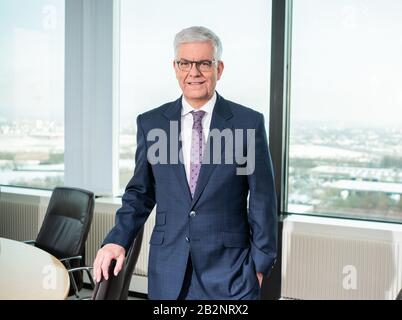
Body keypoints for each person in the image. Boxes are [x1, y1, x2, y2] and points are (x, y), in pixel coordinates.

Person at [93, 26, 277, 300]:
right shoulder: (152, 123)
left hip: (231, 274)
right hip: (169, 270)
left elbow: (262, 201)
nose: (194, 72)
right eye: (185, 63)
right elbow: (140, 194)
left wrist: (259, 268)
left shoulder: (247, 124)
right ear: (175, 67)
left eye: (204, 63)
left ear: (219, 68)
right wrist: (116, 239)